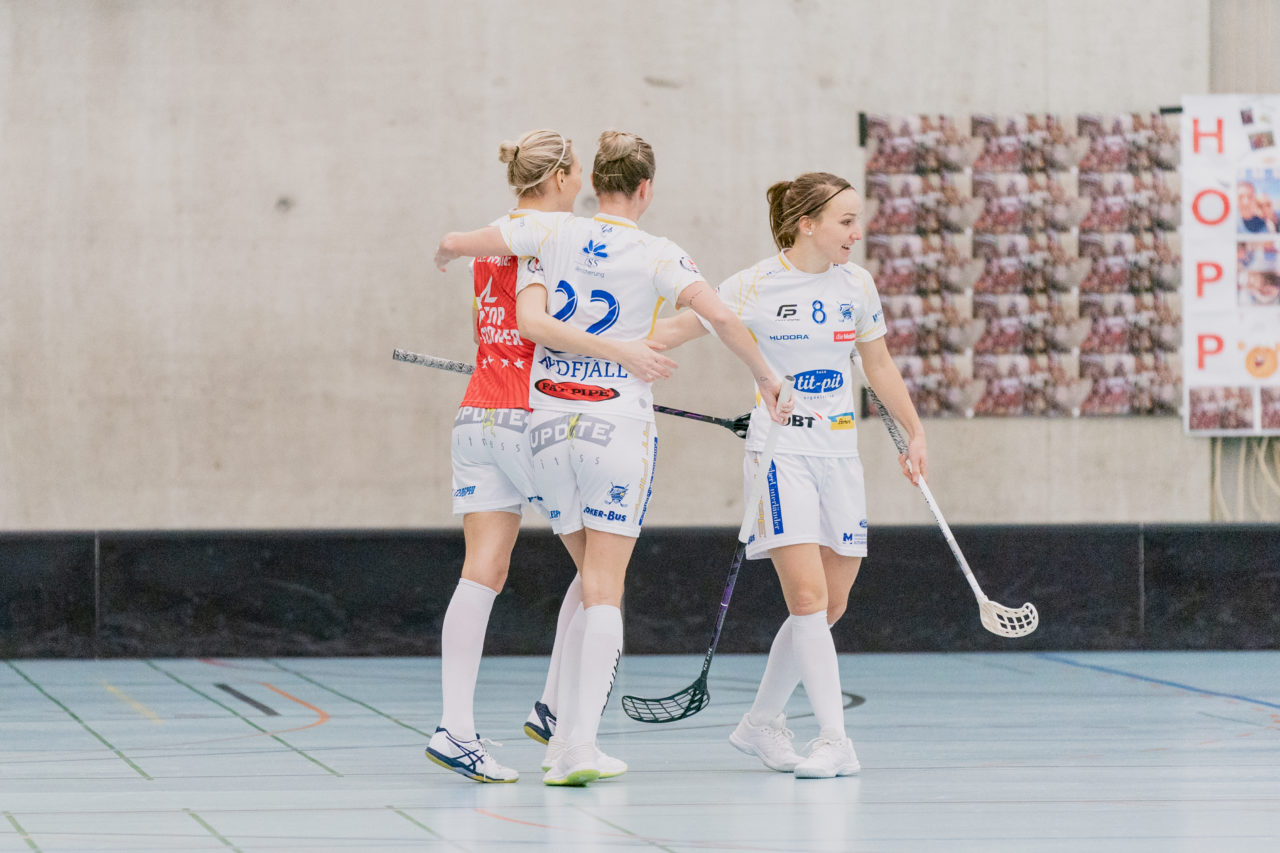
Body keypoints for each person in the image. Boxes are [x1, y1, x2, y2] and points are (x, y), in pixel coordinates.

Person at [436, 130, 792, 786]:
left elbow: (495, 271)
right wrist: (766, 375)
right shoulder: (643, 247)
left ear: (594, 181)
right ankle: (574, 737)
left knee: (531, 571)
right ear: (645, 187)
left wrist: (447, 245)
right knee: (603, 585)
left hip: (532, 422)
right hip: (605, 424)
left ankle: (514, 716)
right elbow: (715, 316)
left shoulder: (542, 236)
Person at [653, 172, 928, 779]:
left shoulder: (857, 284)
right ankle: (835, 738)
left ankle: (760, 723)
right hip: (778, 455)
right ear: (808, 224)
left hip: (840, 456)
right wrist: (610, 350)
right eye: (846, 222)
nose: (858, 232)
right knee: (805, 599)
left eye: (858, 220)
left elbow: (877, 364)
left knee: (829, 605)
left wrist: (913, 430)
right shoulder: (751, 284)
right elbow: (676, 329)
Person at [426, 129, 677, 784]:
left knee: (481, 570)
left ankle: (456, 726)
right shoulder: (559, 234)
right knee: (600, 572)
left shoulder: (496, 233)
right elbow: (544, 325)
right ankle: (559, 711)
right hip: (531, 423)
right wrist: (623, 361)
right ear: (565, 174)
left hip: (475, 415)